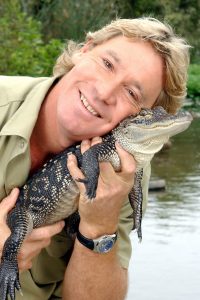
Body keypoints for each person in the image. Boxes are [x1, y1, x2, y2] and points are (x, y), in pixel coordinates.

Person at [0, 17, 189, 299]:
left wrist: (100, 223)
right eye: (108, 64)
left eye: (132, 93)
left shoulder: (124, 170)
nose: (103, 92)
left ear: (138, 116)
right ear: (85, 50)